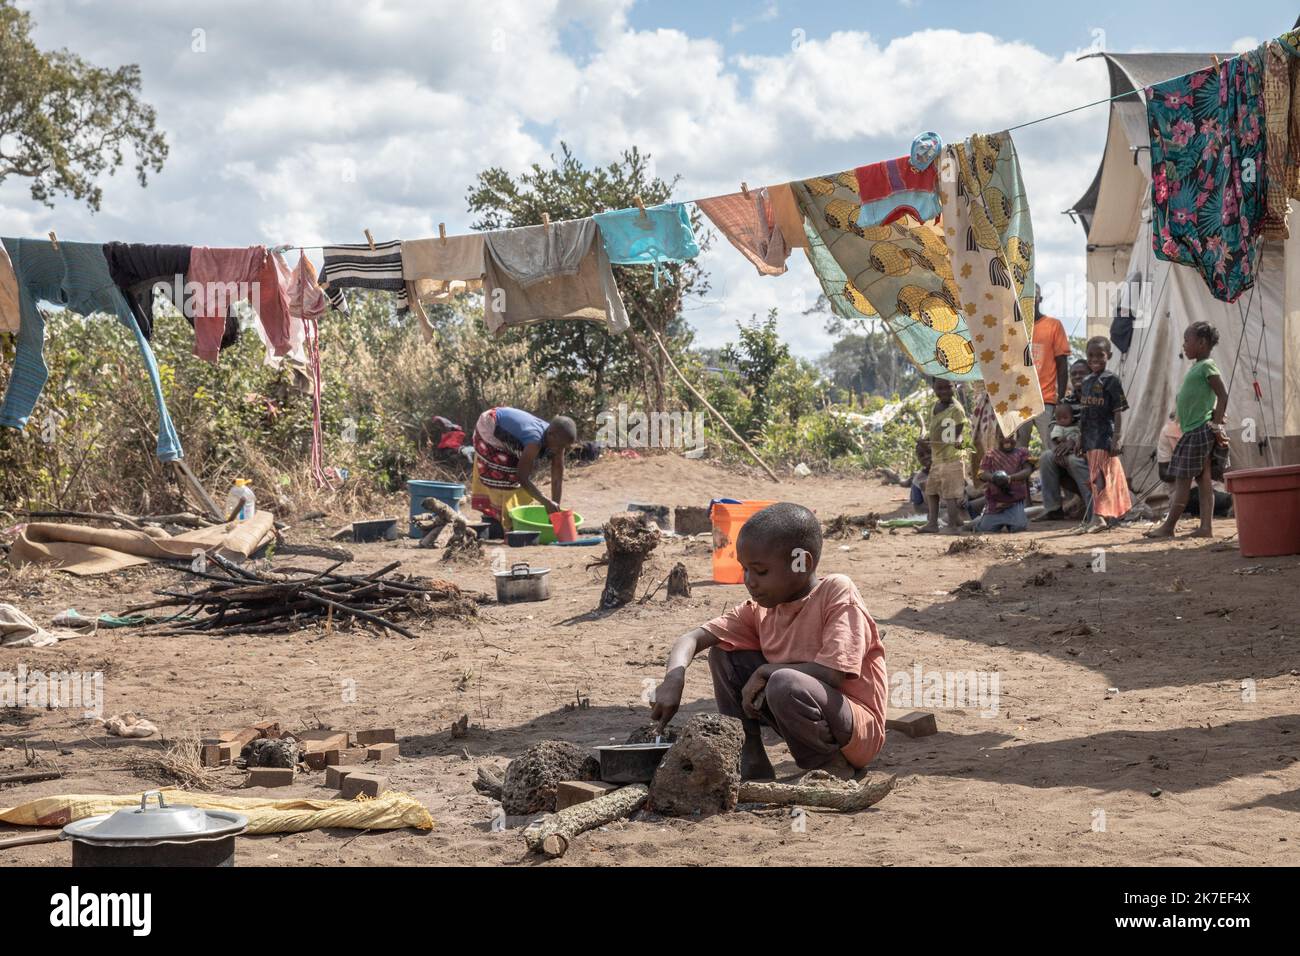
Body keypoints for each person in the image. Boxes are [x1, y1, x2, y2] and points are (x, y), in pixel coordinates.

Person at [649, 503, 886, 781]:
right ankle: (751, 760)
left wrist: (764, 671)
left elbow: (831, 673)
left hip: (855, 729)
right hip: (802, 708)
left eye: (760, 572)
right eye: (745, 570)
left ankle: (831, 765)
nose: (750, 581)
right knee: (724, 655)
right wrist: (673, 680)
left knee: (784, 681)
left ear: (802, 562)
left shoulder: (836, 591)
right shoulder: (760, 609)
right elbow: (692, 638)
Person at [1146, 323, 1231, 539]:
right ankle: (1206, 528)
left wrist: (1217, 423)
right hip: (1194, 430)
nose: (1184, 345)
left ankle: (1168, 527)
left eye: (1187, 340)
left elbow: (1223, 395)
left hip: (1199, 431)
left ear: (1201, 343)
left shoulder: (1207, 367)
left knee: (1183, 479)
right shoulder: (1197, 366)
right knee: (1203, 480)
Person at [469, 406, 577, 530]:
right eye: (560, 446)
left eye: (564, 447)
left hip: (506, 425)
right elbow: (522, 477)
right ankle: (500, 521)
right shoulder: (535, 441)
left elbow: (557, 477)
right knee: (506, 474)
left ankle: (513, 517)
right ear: (551, 435)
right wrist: (545, 502)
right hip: (489, 425)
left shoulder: (557, 439)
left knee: (519, 470)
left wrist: (554, 510)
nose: (560, 450)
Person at [1078, 336, 1132, 532]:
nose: (1095, 359)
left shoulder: (1111, 380)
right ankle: (1106, 515)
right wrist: (1079, 438)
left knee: (1100, 476)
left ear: (1108, 355)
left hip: (1104, 435)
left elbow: (1118, 411)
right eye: (1090, 355)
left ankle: (1098, 516)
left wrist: (1117, 437)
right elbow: (1084, 412)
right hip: (1089, 437)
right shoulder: (1085, 381)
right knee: (1098, 476)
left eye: (1100, 355)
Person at [1017, 284, 1071, 449]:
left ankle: (1053, 475)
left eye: (1034, 296)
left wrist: (1060, 399)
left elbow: (1062, 365)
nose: (1030, 300)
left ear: (1040, 299)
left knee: (1052, 447)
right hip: (1019, 402)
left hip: (1045, 399)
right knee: (1017, 452)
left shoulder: (1053, 325)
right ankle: (1020, 476)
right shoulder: (1014, 328)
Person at [1157, 413, 1232, 518]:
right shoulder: (1169, 431)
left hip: (1214, 487)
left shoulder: (1213, 429)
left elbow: (1220, 471)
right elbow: (1164, 473)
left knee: (1216, 497)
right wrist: (1189, 469)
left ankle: (1227, 506)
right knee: (1193, 497)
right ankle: (1228, 505)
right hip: (1185, 491)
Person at [918, 377, 967, 534]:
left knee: (950, 495)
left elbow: (955, 436)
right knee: (931, 491)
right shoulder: (936, 406)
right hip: (938, 459)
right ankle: (933, 523)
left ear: (954, 386)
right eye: (940, 388)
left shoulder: (956, 410)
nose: (944, 391)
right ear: (934, 389)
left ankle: (953, 526)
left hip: (951, 459)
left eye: (948, 387)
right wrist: (927, 441)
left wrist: (932, 444)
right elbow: (936, 430)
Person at [1038, 401, 1091, 520]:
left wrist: (1075, 441)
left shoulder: (1094, 395)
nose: (1077, 381)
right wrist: (1057, 449)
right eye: (1074, 379)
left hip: (1085, 448)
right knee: (1046, 457)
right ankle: (1053, 509)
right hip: (1064, 446)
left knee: (1074, 461)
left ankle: (1092, 507)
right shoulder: (1066, 401)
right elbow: (1053, 427)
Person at [973, 431, 1033, 532]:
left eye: (1011, 436)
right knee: (984, 529)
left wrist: (1010, 478)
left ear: (1017, 436)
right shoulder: (990, 454)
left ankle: (1013, 521)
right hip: (995, 502)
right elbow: (982, 473)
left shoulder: (1022, 452)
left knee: (1018, 527)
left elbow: (1027, 470)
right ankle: (975, 523)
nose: (1006, 439)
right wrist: (994, 478)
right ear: (996, 437)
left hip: (1015, 500)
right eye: (1001, 437)